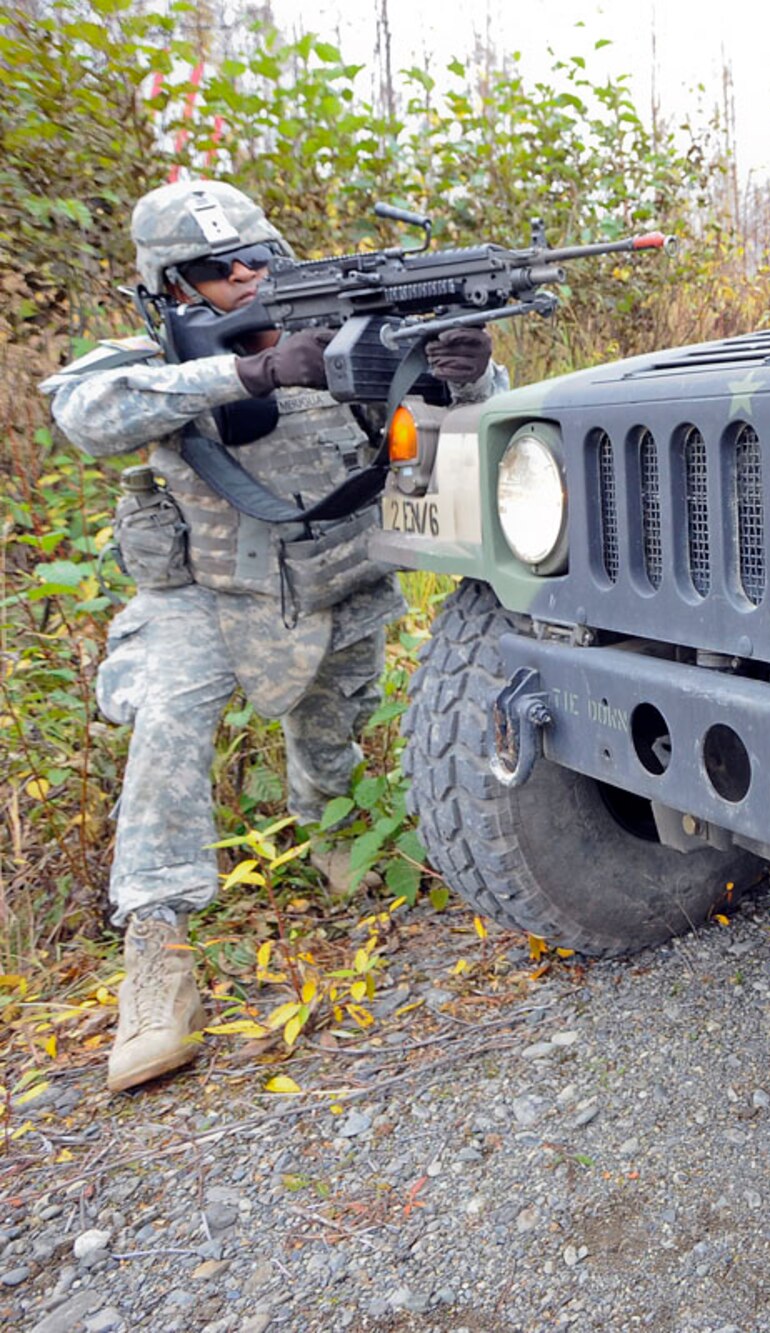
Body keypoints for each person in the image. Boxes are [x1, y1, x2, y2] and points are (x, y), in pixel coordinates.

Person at [39, 180, 504, 1092]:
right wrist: (252, 371)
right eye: (221, 268)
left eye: (260, 257)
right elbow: (86, 415)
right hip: (209, 591)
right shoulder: (147, 355)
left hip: (339, 573)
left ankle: (331, 838)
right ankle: (157, 951)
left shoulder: (347, 328)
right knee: (168, 725)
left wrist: (465, 368)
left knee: (335, 724)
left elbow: (467, 421)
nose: (248, 275)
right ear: (175, 287)